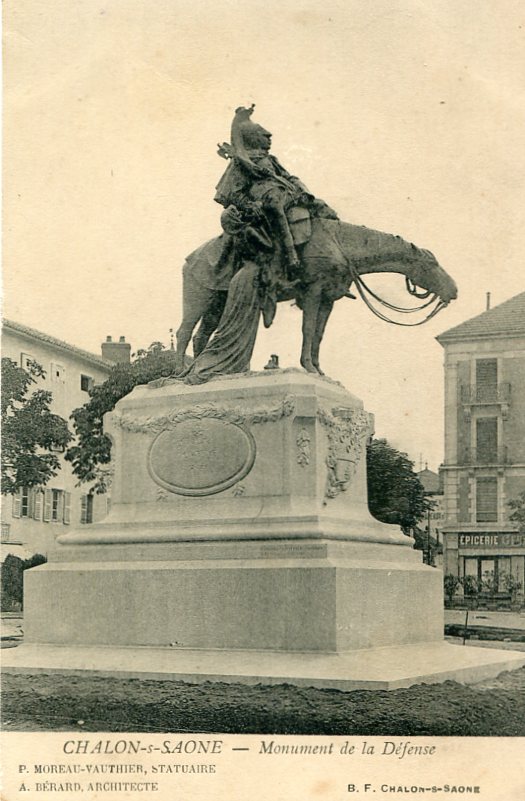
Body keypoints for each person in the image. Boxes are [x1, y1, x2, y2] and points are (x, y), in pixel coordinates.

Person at [214, 105, 338, 286]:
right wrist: (250, 205)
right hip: (265, 204)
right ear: (252, 138)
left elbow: (288, 176)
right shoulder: (242, 163)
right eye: (264, 135)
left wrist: (303, 192)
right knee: (277, 210)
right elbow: (230, 193)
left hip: (288, 193)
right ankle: (291, 257)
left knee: (321, 206)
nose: (269, 137)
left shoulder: (270, 160)